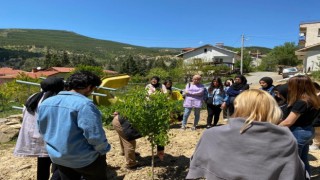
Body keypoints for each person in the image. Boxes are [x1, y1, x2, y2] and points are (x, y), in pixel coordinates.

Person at [186, 89, 308, 180]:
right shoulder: (285, 138)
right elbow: (293, 172)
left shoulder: (212, 134)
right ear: (273, 109)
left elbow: (198, 163)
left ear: (238, 107)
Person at [37, 71, 111, 180]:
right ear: (89, 87)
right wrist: (104, 149)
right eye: (93, 88)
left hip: (58, 157)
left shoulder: (46, 103)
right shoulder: (84, 104)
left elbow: (42, 129)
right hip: (84, 159)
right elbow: (95, 136)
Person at [14, 77, 64, 180]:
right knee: (63, 165)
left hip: (36, 136)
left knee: (43, 165)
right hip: (51, 138)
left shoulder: (34, 97)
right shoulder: (56, 100)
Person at [279, 75, 320, 175]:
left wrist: (272, 128)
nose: (288, 87)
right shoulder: (312, 98)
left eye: (290, 84)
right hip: (308, 130)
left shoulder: (301, 102)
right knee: (303, 159)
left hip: (299, 132)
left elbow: (288, 122)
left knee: (294, 162)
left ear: (297, 86)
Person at [145, 76, 167, 161]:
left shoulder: (162, 86)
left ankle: (160, 153)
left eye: (155, 80)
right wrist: (159, 94)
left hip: (161, 108)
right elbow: (149, 95)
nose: (154, 81)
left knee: (160, 130)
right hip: (150, 107)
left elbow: (165, 94)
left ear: (158, 80)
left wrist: (157, 94)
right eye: (152, 79)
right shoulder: (148, 86)